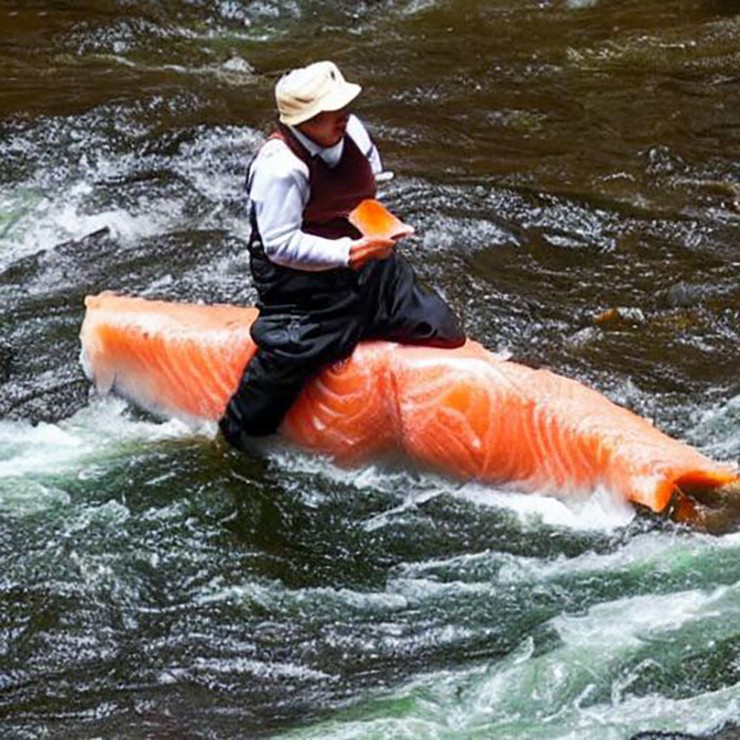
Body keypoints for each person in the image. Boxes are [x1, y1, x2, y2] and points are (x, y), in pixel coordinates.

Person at [219, 60, 465, 449]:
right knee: (286, 363)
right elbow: (279, 244)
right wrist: (347, 252)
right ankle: (231, 437)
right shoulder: (280, 167)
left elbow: (369, 186)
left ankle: (361, 350)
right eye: (329, 112)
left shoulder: (352, 130)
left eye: (342, 107)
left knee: (442, 329)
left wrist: (378, 229)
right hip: (301, 287)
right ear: (303, 120)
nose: (342, 116)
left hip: (368, 262)